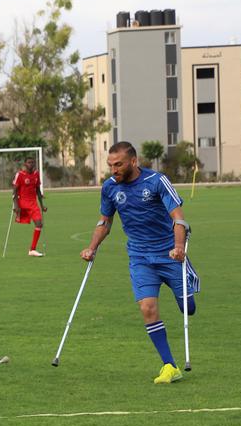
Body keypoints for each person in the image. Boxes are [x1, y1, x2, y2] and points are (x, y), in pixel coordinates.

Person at [80, 142, 200, 385]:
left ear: (133, 162)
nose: (113, 170)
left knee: (188, 308)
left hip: (169, 253)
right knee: (147, 308)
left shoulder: (157, 181)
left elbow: (179, 218)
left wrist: (178, 248)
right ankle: (169, 365)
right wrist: (92, 247)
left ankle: (185, 286)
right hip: (139, 256)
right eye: (110, 165)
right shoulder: (109, 188)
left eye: (119, 164)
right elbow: (105, 222)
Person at [12, 157, 47, 257]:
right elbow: (14, 192)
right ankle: (18, 215)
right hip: (22, 203)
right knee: (25, 220)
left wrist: (42, 206)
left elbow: (38, 191)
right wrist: (16, 206)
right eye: (29, 162)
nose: (31, 164)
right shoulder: (20, 175)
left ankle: (32, 249)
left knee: (39, 224)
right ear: (25, 163)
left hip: (33, 204)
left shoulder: (36, 174)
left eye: (32, 162)